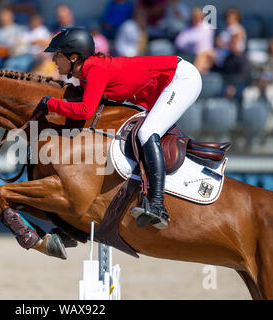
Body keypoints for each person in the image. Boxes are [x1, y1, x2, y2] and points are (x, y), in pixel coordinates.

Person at [35, 27, 203, 229]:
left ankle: (157, 205)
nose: (53, 60)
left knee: (147, 132)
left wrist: (51, 104)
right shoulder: (86, 72)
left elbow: (86, 110)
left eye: (57, 55)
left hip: (181, 79)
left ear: (73, 57)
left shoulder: (94, 69)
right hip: (166, 84)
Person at [175, 8, 215, 74]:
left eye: (197, 17)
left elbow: (200, 42)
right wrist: (190, 45)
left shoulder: (207, 27)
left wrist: (189, 43)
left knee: (202, 56)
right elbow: (179, 42)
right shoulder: (187, 28)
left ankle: (197, 75)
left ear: (201, 17)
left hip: (207, 53)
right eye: (194, 17)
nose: (196, 19)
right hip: (192, 53)